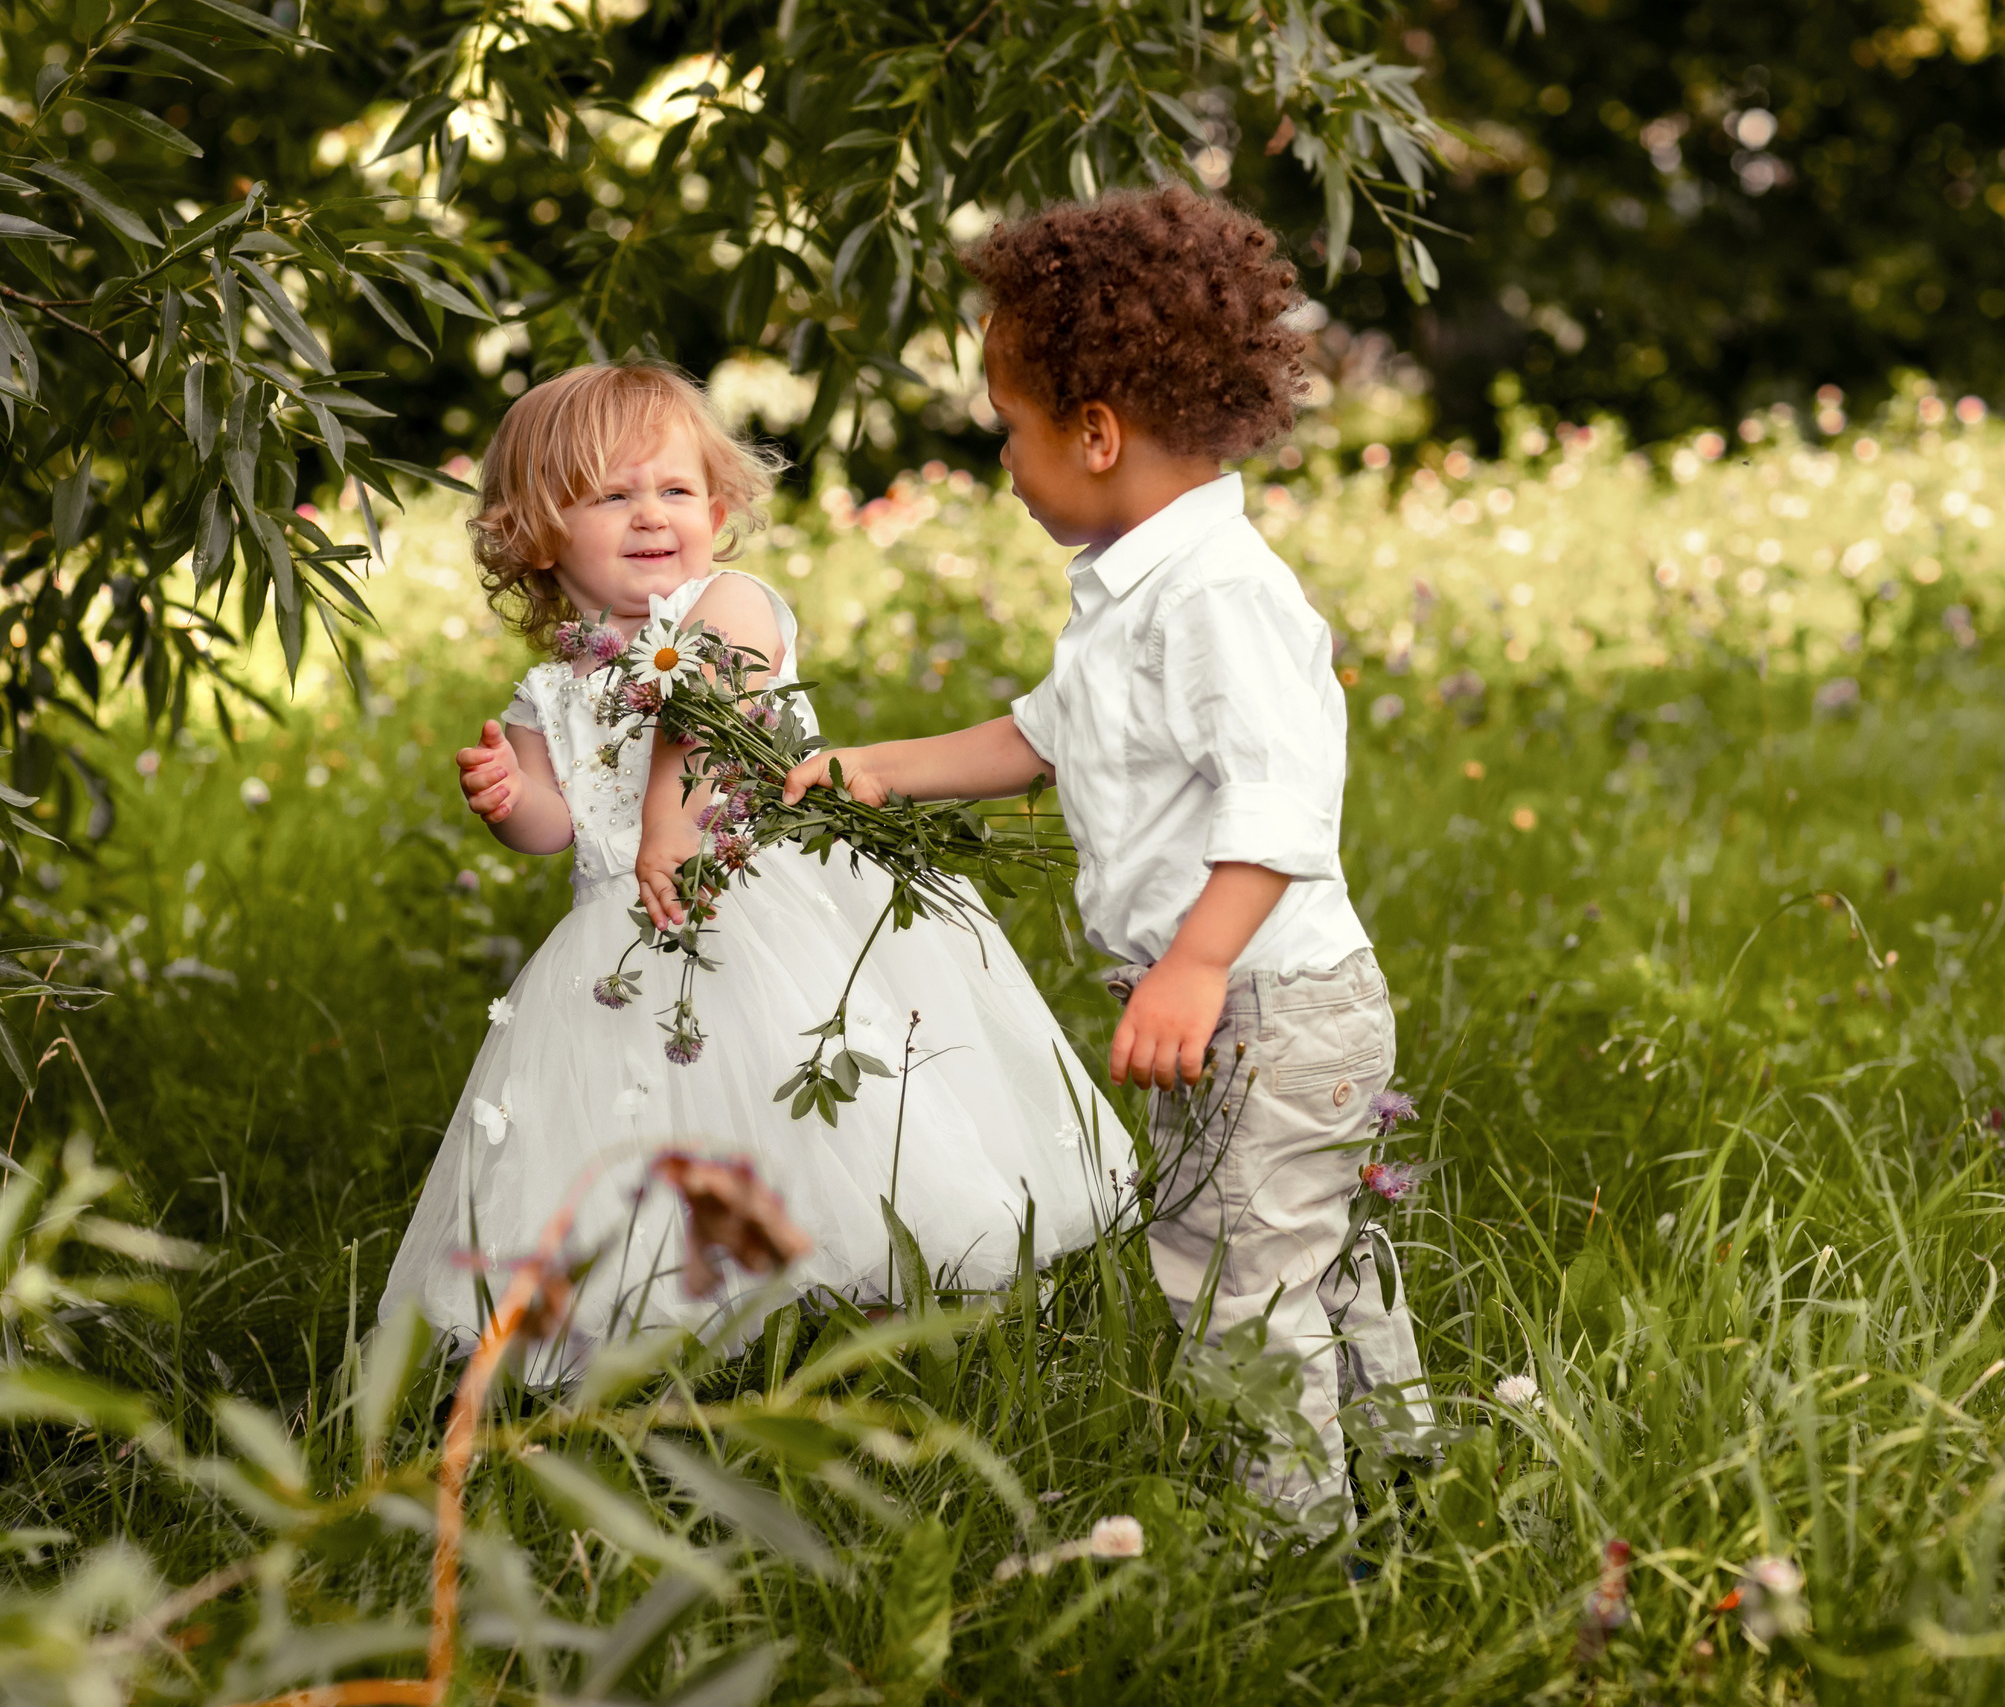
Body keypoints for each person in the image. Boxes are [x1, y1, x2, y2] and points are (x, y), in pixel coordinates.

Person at [782, 187, 1433, 1530]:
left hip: (1265, 1003)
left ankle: (1293, 1539)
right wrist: (885, 765)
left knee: (1235, 1271)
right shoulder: (1136, 588)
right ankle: (1400, 1474)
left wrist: (1193, 966)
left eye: (1009, 430)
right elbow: (1043, 733)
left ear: (1094, 430)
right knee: (1306, 1254)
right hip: (1238, 1007)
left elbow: (1284, 799)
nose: (1003, 463)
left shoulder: (1217, 597)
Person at [379, 361, 1118, 1363]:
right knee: (650, 1125)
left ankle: (875, 1298)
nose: (651, 515)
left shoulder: (726, 604)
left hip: (772, 904)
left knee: (818, 1103)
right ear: (537, 529)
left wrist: (668, 822)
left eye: (675, 490)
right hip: (627, 941)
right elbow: (558, 825)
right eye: (611, 495)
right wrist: (510, 802)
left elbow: (712, 702)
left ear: (718, 512)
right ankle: (698, 1315)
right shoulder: (550, 686)